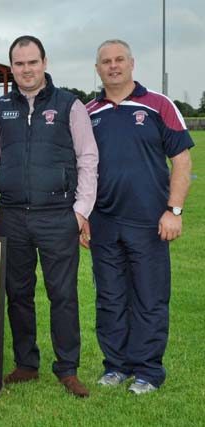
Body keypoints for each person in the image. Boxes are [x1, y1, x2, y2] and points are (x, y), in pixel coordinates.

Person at [0, 35, 98, 397]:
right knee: (18, 293)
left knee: (63, 294)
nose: (26, 69)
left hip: (58, 216)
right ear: (11, 67)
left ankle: (67, 368)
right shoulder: (0, 109)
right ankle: (26, 363)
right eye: (19, 63)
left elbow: (88, 159)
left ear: (44, 63)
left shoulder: (69, 105)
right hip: (11, 215)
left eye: (32, 62)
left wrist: (80, 212)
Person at [85, 39, 193, 394]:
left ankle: (148, 371)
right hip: (103, 222)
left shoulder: (159, 105)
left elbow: (182, 159)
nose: (113, 66)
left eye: (119, 60)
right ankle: (115, 366)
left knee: (149, 297)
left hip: (149, 223)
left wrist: (173, 210)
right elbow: (79, 168)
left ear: (132, 63)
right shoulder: (88, 112)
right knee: (110, 298)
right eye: (106, 61)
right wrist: (82, 216)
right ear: (97, 69)